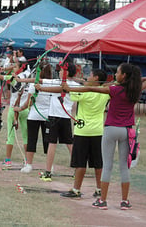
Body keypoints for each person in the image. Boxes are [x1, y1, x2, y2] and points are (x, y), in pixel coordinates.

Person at [64, 63, 146, 210]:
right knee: (124, 167)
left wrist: (70, 89)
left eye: (118, 73)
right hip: (126, 130)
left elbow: (91, 88)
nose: (115, 75)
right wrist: (132, 80)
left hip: (111, 130)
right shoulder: (135, 89)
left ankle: (102, 201)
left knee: (107, 166)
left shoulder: (114, 89)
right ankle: (125, 201)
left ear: (123, 75)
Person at [58, 69, 110, 199]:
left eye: (91, 75)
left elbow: (68, 90)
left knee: (80, 163)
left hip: (83, 132)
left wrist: (65, 85)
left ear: (96, 78)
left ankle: (76, 190)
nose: (88, 77)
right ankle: (99, 189)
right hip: (98, 132)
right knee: (98, 163)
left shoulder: (84, 92)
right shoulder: (105, 93)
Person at [15, 62, 52, 173]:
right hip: (46, 116)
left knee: (32, 140)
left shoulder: (35, 84)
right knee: (48, 142)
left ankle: (29, 165)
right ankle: (50, 166)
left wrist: (19, 109)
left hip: (35, 116)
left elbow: (28, 103)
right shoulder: (52, 83)